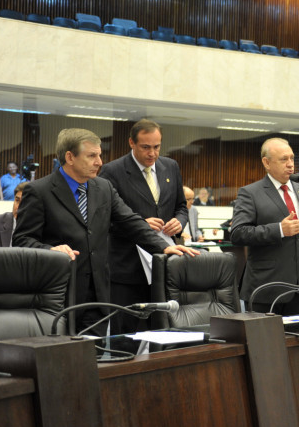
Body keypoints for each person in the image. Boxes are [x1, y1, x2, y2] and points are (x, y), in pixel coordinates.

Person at [13, 128, 197, 335]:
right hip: (57, 295)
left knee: (96, 358)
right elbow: (21, 240)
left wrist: (164, 248)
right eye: (92, 156)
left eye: (99, 155)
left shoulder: (104, 188)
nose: (99, 162)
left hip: (98, 295)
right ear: (70, 157)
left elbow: (130, 222)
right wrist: (49, 249)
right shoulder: (39, 191)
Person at [98, 119, 190, 334]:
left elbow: (181, 207)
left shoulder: (170, 166)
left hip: (164, 266)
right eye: (146, 147)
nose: (152, 153)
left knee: (164, 332)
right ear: (132, 143)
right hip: (127, 269)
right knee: (126, 334)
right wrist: (140, 223)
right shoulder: (112, 171)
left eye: (157, 147)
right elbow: (103, 219)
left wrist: (179, 221)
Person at [230, 137, 299, 315]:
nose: (290, 164)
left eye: (292, 158)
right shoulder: (250, 193)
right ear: (266, 162)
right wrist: (279, 229)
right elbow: (238, 233)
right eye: (283, 159)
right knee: (265, 343)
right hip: (265, 288)